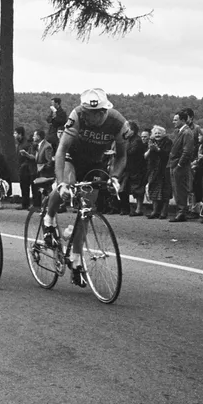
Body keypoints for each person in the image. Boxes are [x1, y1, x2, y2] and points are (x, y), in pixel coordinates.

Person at [43, 88, 132, 287]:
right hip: (71, 157)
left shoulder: (119, 123)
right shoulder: (77, 115)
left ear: (104, 111)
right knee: (68, 185)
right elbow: (61, 149)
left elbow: (122, 155)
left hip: (94, 162)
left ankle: (76, 261)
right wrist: (61, 182)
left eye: (96, 113)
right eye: (88, 113)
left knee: (86, 210)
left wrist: (116, 177)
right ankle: (49, 219)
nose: (91, 117)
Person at [168, 110, 196, 222]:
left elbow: (187, 151)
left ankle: (182, 212)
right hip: (175, 164)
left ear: (183, 120)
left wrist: (179, 165)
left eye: (176, 120)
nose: (173, 121)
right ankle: (180, 211)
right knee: (177, 189)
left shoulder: (187, 133)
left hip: (180, 165)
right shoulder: (180, 132)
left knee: (180, 189)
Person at [119, 121, 147, 216]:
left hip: (137, 168)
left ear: (133, 130)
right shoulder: (128, 140)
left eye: (128, 129)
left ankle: (138, 209)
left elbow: (132, 152)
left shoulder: (137, 140)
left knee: (137, 189)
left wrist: (120, 152)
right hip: (129, 168)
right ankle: (126, 209)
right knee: (124, 189)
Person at [145, 126, 172, 219]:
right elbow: (145, 156)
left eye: (159, 133)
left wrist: (158, 149)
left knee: (165, 191)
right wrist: (150, 149)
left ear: (164, 134)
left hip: (164, 169)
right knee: (153, 189)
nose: (157, 135)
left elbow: (167, 154)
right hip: (153, 169)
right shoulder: (151, 142)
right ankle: (155, 211)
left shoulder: (168, 142)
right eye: (155, 133)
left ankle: (164, 212)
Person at [32, 128, 54, 207]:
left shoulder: (47, 146)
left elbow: (49, 161)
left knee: (44, 191)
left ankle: (47, 206)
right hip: (39, 172)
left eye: (34, 136)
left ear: (38, 136)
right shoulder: (38, 146)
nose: (33, 137)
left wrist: (42, 168)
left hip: (45, 173)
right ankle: (40, 206)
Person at [15, 126, 36, 210]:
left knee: (28, 186)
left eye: (15, 133)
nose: (14, 135)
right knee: (23, 186)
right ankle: (25, 203)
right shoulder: (20, 144)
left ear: (20, 134)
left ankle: (31, 204)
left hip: (26, 168)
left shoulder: (26, 144)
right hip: (21, 167)